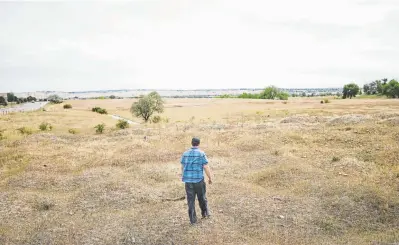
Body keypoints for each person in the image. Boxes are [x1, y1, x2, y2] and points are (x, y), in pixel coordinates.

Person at [180, 137, 212, 225]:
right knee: (202, 197)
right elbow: (205, 166)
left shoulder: (185, 154)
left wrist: (183, 175)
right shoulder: (201, 153)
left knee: (190, 200)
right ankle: (205, 213)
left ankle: (192, 220)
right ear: (198, 144)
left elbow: (182, 166)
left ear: (191, 143)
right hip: (199, 180)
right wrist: (210, 178)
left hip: (188, 181)